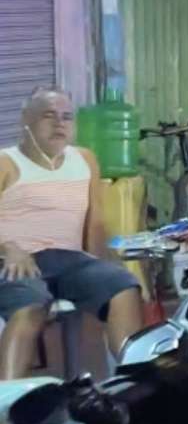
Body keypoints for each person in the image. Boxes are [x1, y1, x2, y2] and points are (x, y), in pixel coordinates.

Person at [0, 90, 145, 380]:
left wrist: (105, 263)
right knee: (31, 303)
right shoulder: (6, 162)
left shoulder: (85, 160)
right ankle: (5, 404)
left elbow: (95, 223)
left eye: (67, 117)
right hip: (16, 260)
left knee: (122, 284)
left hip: (69, 260)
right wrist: (8, 249)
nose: (59, 124)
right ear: (25, 121)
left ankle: (135, 381)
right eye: (48, 116)